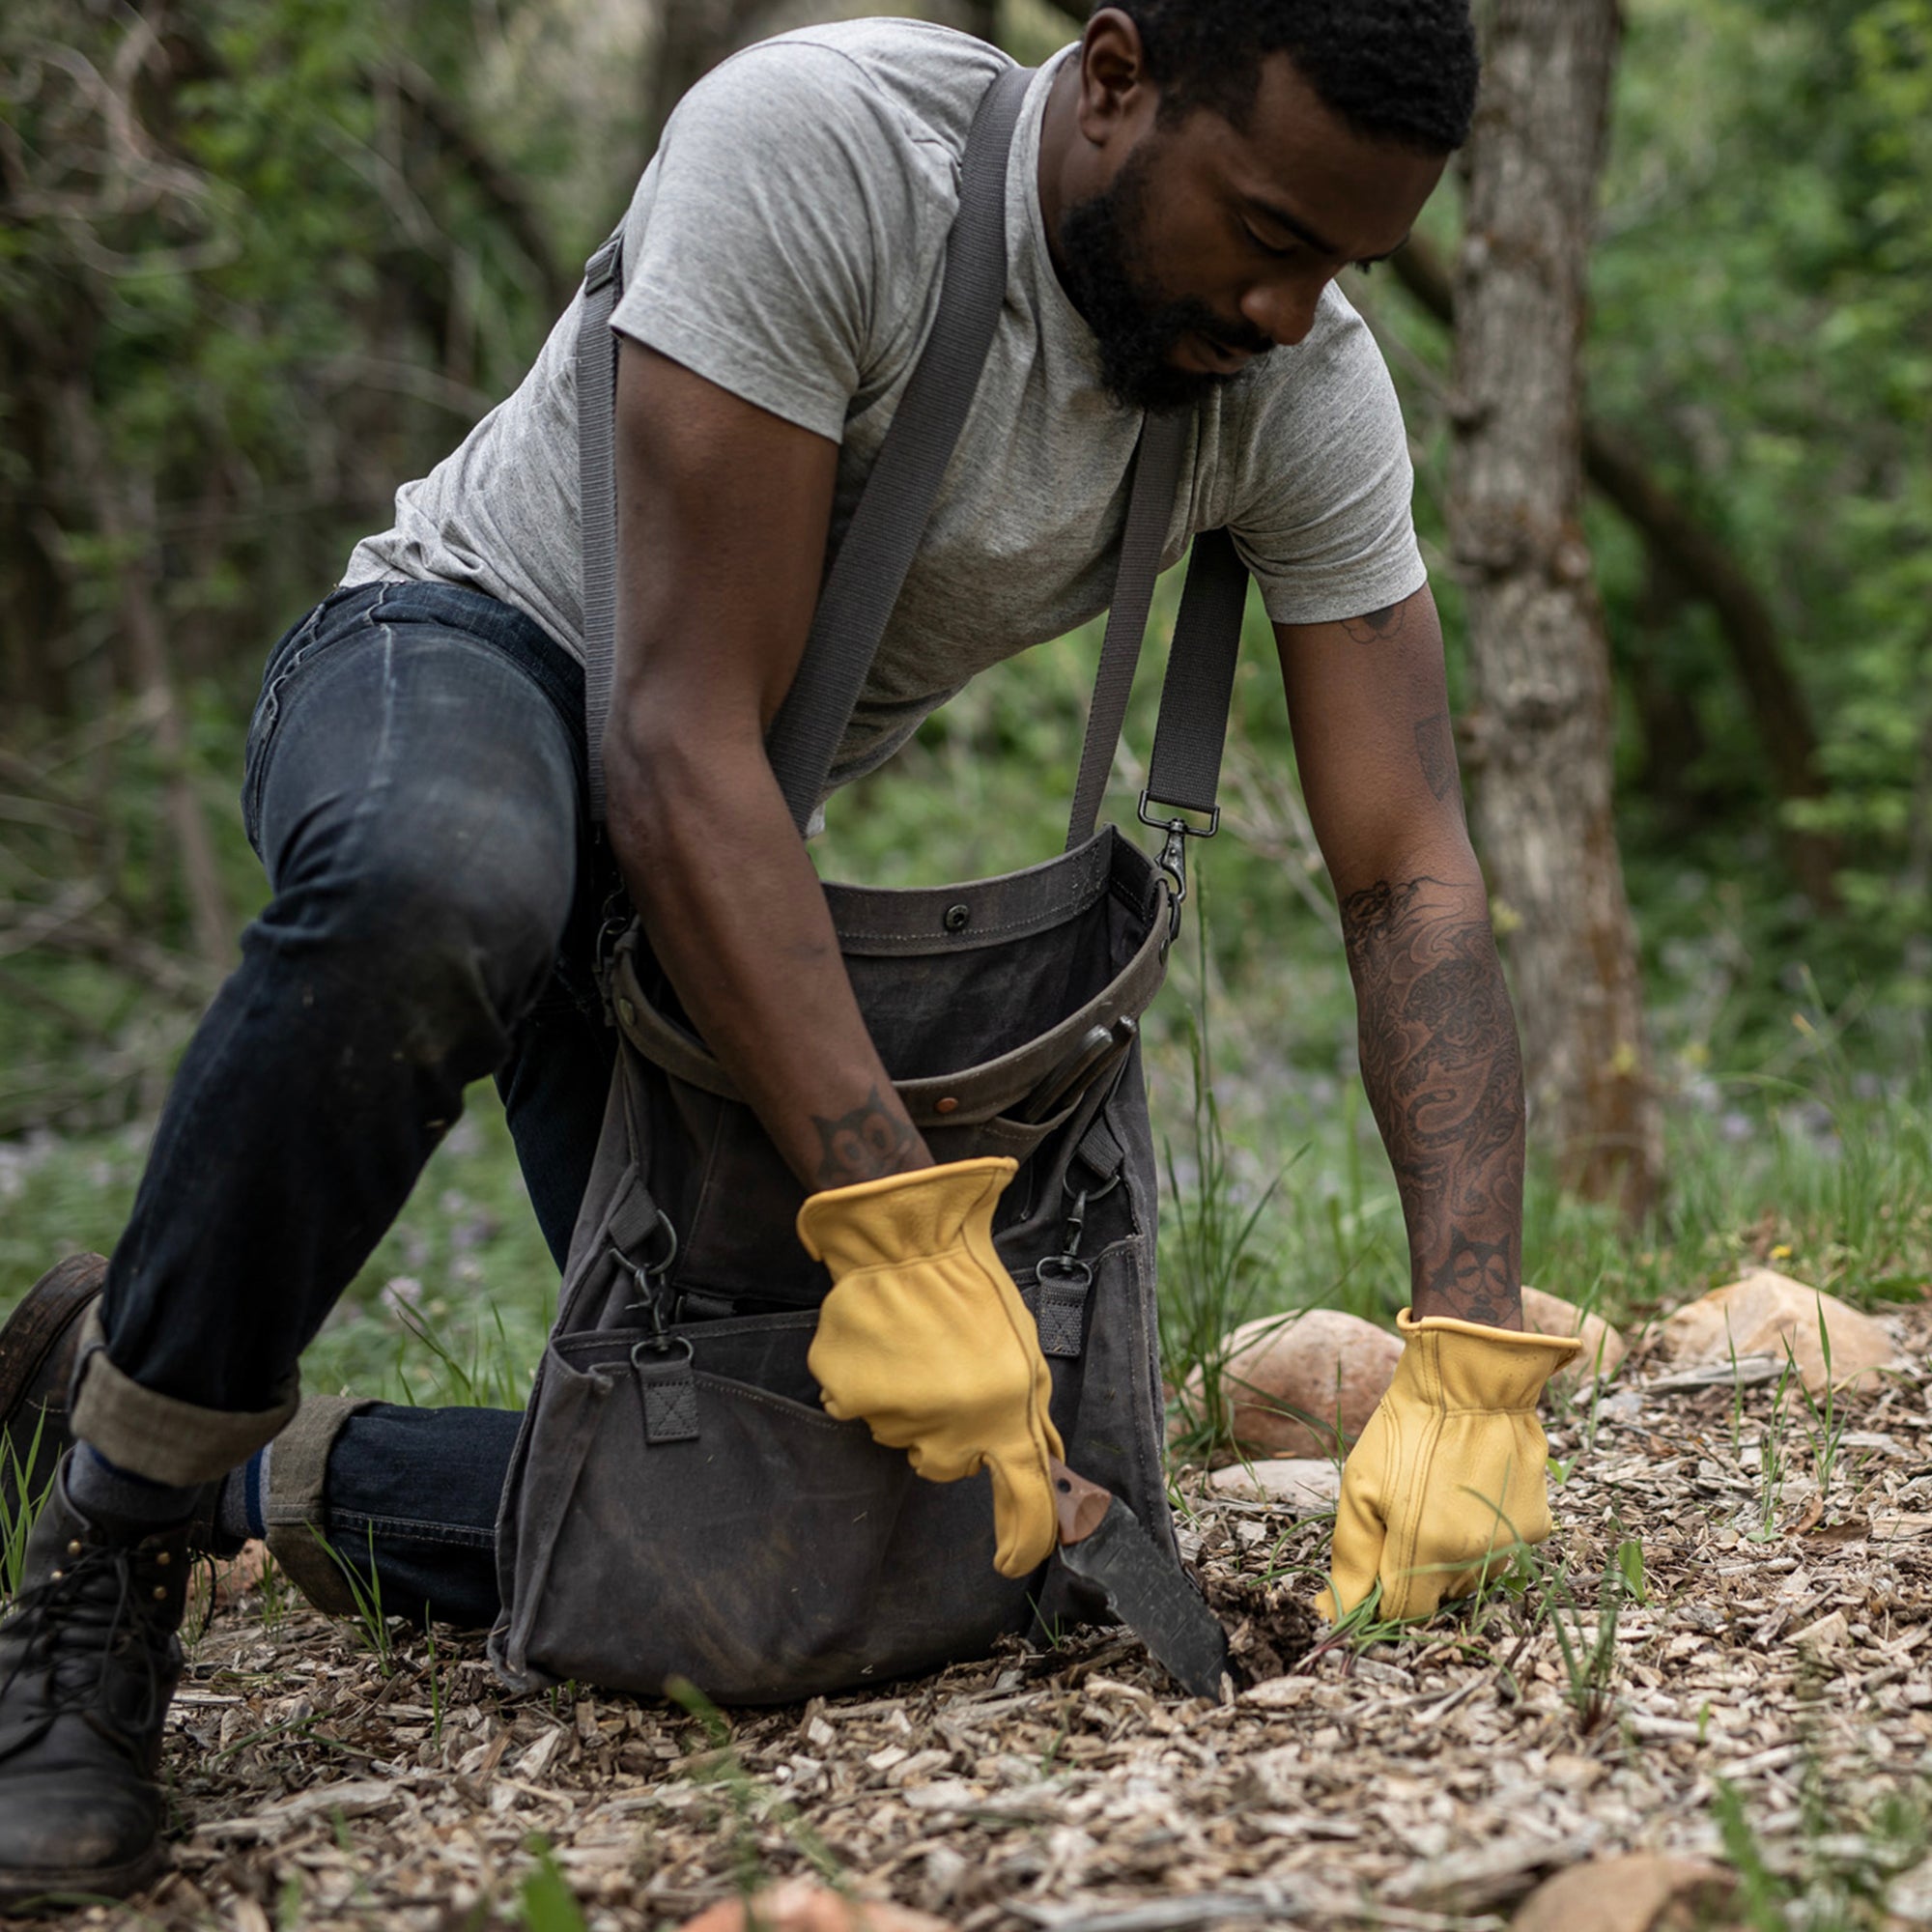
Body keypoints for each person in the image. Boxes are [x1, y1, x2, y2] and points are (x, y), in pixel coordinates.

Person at [0, 0, 1583, 1904]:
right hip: (470, 667)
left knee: (912, 1551)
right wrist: (894, 1221)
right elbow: (670, 733)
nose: (1286, 309)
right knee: (447, 884)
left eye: (1341, 267)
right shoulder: (826, 153)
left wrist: (1470, 1351)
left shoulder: (1294, 382)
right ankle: (106, 1553)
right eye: (1263, 234)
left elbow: (1407, 872)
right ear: (1112, 80)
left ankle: (187, 1431)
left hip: (696, 846)